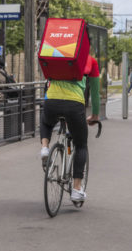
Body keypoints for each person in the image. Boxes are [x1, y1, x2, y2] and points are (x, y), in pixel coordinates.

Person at [40, 54, 100, 202]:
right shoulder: (90, 60)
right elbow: (95, 92)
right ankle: (77, 189)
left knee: (46, 122)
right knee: (81, 145)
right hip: (74, 104)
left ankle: (45, 148)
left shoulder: (57, 55)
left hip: (51, 101)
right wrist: (95, 115)